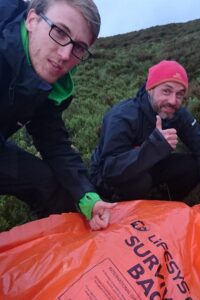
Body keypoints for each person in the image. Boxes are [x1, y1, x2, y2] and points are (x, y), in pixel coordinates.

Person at [0, 0, 116, 230]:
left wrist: (87, 196)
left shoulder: (50, 84)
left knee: (48, 184)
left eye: (78, 47)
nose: (65, 55)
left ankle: (60, 253)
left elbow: (53, 142)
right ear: (32, 20)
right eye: (60, 32)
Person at [90, 60, 200, 203]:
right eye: (166, 91)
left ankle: (166, 204)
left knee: (192, 165)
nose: (173, 101)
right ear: (150, 89)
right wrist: (154, 146)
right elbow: (111, 170)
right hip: (110, 177)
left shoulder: (176, 113)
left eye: (179, 94)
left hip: (150, 166)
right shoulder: (122, 116)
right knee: (140, 183)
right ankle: (121, 213)